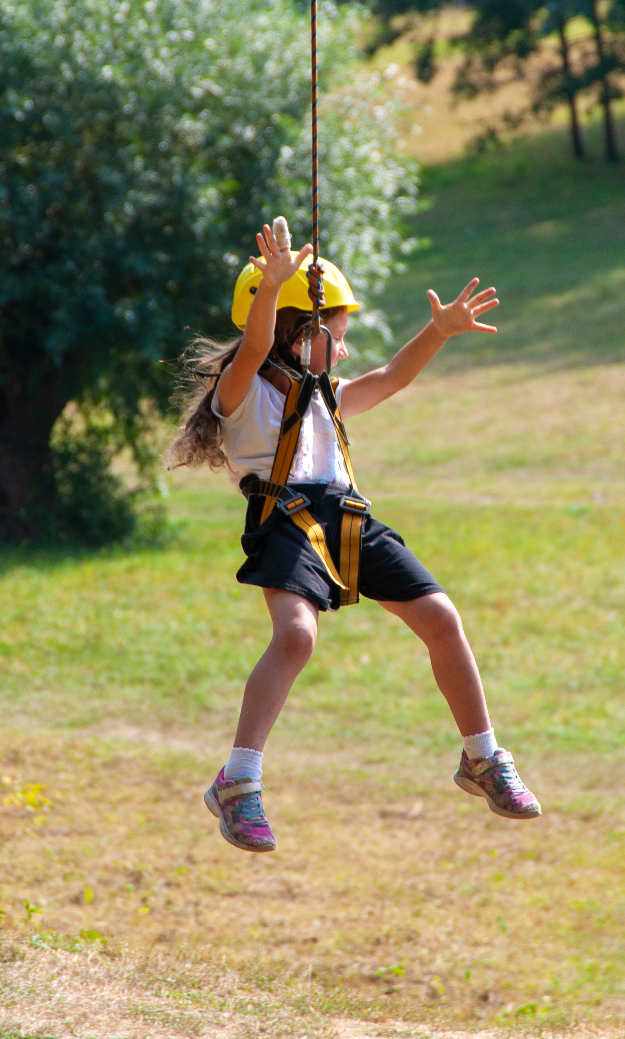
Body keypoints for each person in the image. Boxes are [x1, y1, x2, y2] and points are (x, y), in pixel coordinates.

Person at [167, 219, 541, 853]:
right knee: (295, 636)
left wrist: (439, 331)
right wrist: (274, 288)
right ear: (294, 334)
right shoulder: (241, 394)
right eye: (333, 337)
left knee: (442, 618)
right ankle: (238, 782)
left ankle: (482, 757)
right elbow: (254, 350)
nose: (342, 350)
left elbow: (393, 378)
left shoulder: (329, 396)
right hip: (286, 522)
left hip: (349, 519)